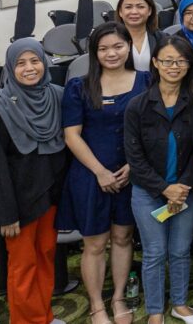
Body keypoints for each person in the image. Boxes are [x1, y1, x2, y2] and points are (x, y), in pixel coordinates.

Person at [59, 23, 150, 324]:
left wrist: (134, 166)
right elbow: (71, 135)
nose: (112, 53)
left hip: (131, 174)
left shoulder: (146, 80)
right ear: (94, 53)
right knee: (95, 243)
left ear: (129, 47)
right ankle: (97, 306)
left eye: (118, 46)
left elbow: (152, 129)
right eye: (103, 48)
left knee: (123, 238)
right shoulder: (79, 87)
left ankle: (119, 297)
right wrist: (100, 172)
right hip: (90, 175)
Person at [0, 39, 67, 324]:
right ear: (10, 68)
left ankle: (43, 316)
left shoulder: (57, 96)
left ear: (45, 62)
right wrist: (6, 215)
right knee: (22, 266)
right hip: (19, 206)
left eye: (35, 61)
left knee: (46, 255)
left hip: (50, 196)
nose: (29, 68)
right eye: (20, 63)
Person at [124, 36, 193, 324]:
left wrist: (181, 188)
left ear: (189, 65)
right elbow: (134, 157)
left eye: (181, 61)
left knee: (181, 250)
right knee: (154, 253)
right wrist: (163, 188)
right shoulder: (137, 106)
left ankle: (180, 304)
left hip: (186, 190)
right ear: (155, 63)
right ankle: (155, 310)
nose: (174, 66)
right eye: (168, 60)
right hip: (147, 192)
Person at [116, 0, 165, 71]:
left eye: (140, 7)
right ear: (120, 12)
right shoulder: (111, 40)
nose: (134, 12)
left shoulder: (161, 38)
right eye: (128, 7)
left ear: (149, 11)